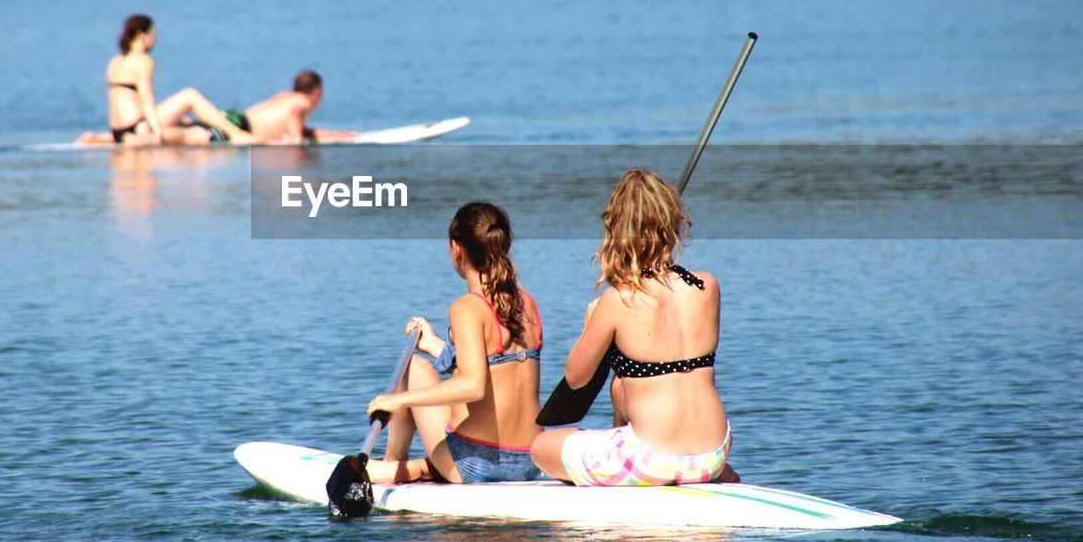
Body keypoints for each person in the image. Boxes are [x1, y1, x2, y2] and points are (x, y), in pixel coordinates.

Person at [530, 168, 740, 486]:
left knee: (541, 446)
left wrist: (593, 323)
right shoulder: (707, 286)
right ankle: (703, 471)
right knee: (627, 388)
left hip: (652, 459)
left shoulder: (618, 299)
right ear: (672, 222)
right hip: (713, 452)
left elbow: (576, 378)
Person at [365, 201, 545, 484]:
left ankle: (393, 463)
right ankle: (420, 468)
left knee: (412, 367)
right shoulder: (527, 302)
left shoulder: (466, 307)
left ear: (456, 248)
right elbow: (496, 370)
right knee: (423, 364)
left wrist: (395, 401)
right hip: (531, 459)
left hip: (476, 463)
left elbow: (474, 385)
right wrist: (435, 343)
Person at [76, 15, 257, 147]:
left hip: (118, 130)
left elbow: (122, 104)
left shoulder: (115, 62)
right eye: (153, 35)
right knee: (190, 97)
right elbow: (147, 100)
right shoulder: (143, 61)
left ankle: (98, 138)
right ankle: (237, 134)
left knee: (185, 122)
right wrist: (158, 132)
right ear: (142, 35)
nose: (154, 40)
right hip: (140, 128)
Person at [227, 70, 357, 144]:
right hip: (242, 128)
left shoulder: (284, 96)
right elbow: (296, 140)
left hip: (233, 119)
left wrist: (335, 134)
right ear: (317, 92)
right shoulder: (302, 103)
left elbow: (300, 129)